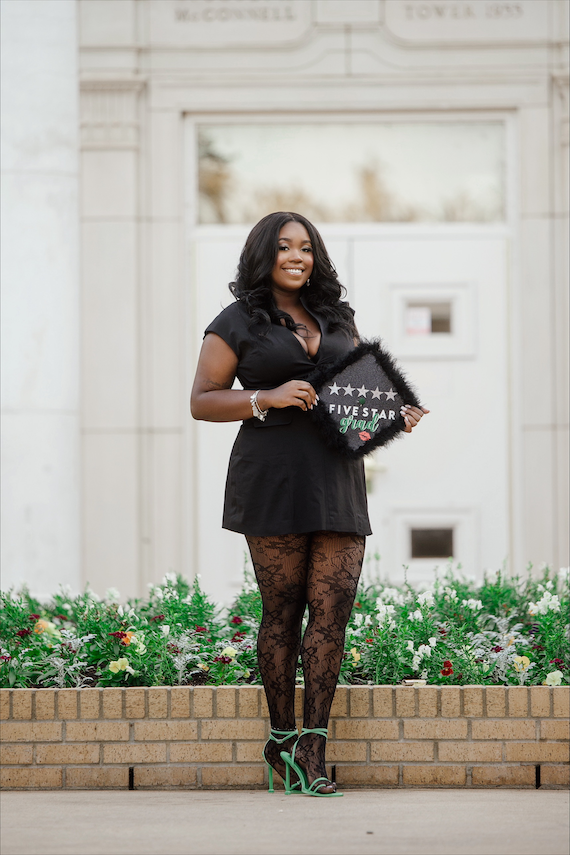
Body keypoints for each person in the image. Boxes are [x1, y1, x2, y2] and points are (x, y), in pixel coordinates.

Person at [191, 211, 428, 797]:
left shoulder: (336, 316)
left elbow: (349, 395)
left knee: (333, 610)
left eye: (305, 247)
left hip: (338, 475)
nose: (295, 256)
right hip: (272, 473)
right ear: (263, 255)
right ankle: (280, 743)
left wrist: (391, 415)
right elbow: (201, 400)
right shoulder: (236, 321)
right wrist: (265, 396)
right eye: (283, 247)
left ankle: (314, 747)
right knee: (285, 610)